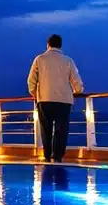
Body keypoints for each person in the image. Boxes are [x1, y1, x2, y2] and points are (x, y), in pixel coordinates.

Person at [27, 33, 84, 162]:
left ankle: (47, 156)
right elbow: (76, 80)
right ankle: (57, 157)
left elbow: (31, 80)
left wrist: (35, 93)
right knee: (61, 130)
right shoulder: (68, 60)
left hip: (44, 100)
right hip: (63, 101)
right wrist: (78, 90)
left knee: (46, 129)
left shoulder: (40, 59)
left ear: (48, 45)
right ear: (60, 46)